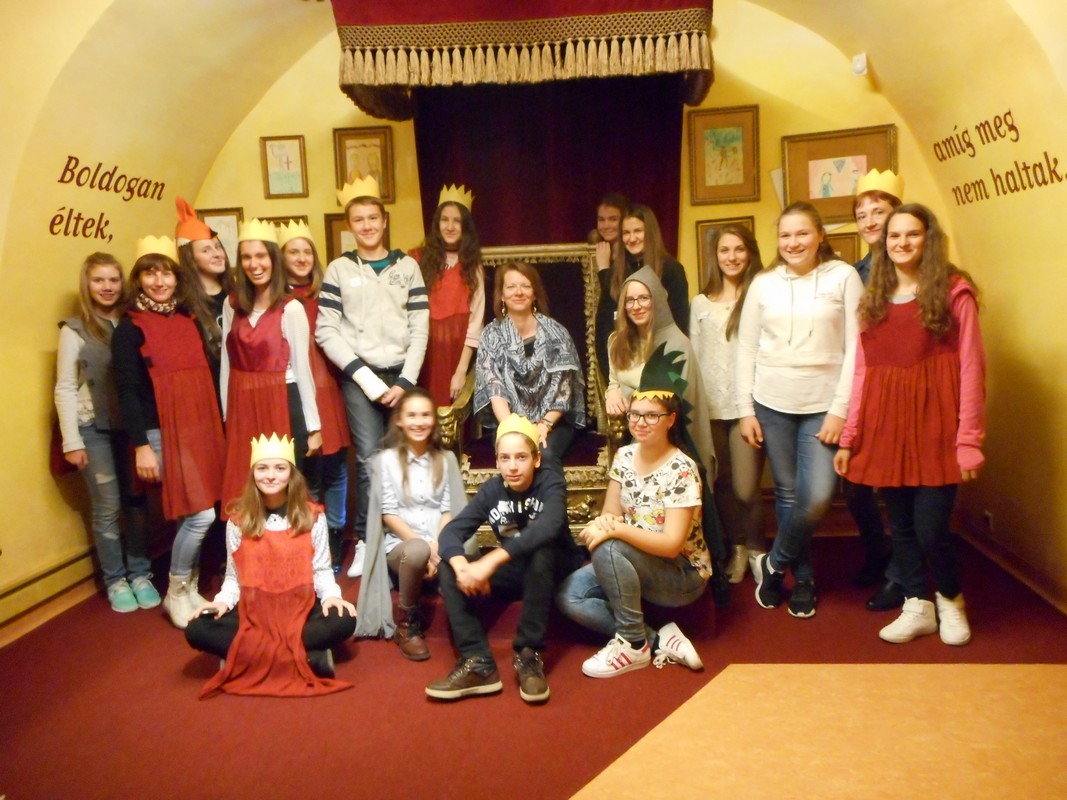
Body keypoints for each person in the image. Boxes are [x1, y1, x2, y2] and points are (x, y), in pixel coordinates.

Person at [835, 204, 985, 646]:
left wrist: (969, 440)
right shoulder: (873, 300)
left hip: (937, 427)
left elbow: (972, 370)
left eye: (912, 234)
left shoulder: (955, 293)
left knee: (932, 528)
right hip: (886, 426)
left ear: (928, 238)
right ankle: (917, 603)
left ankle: (950, 600)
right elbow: (862, 373)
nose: (902, 242)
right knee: (899, 524)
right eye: (894, 236)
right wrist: (850, 436)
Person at [737, 202, 863, 618]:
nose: (793, 242)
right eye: (785, 235)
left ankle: (774, 564)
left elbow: (857, 348)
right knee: (788, 495)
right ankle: (803, 578)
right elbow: (746, 348)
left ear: (820, 235)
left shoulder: (843, 277)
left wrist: (840, 409)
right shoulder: (763, 283)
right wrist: (745, 409)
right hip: (771, 403)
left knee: (819, 496)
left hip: (824, 407)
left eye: (802, 233)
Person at [316, 177, 429, 578]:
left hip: (401, 377)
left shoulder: (408, 267)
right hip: (360, 379)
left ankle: (401, 538)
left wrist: (404, 381)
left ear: (384, 221)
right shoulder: (339, 269)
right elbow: (326, 330)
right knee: (368, 462)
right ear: (350, 226)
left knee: (402, 458)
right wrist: (367, 380)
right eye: (358, 219)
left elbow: (420, 328)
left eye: (372, 218)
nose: (366, 225)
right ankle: (368, 540)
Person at [185, 433, 356, 697]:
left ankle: (246, 654)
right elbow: (233, 578)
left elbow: (321, 570)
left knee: (344, 620)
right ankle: (307, 655)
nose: (271, 476)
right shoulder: (238, 522)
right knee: (197, 629)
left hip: (300, 611)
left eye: (280, 468)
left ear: (291, 474)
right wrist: (220, 603)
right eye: (262, 468)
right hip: (255, 614)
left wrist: (332, 597)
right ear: (253, 474)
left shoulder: (312, 517)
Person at [111, 237, 225, 628]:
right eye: (150, 273)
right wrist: (142, 445)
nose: (159, 281)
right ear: (138, 279)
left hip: (199, 427)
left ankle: (189, 588)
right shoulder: (129, 329)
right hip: (160, 430)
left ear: (177, 278)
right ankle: (175, 590)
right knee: (200, 515)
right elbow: (127, 391)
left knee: (190, 513)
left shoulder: (189, 318)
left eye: (166, 273)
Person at [557, 388, 709, 678]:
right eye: (635, 414)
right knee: (569, 595)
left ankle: (631, 645)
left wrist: (616, 529)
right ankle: (653, 640)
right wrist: (603, 524)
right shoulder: (624, 455)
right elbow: (610, 513)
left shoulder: (682, 469)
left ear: (671, 420)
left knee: (608, 546)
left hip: (680, 573)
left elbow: (671, 545)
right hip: (633, 558)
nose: (640, 422)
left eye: (652, 416)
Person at [604, 267, 727, 604]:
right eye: (630, 300)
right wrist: (611, 391)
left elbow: (671, 400)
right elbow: (615, 379)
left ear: (657, 300)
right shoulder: (616, 342)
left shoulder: (676, 343)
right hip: (633, 432)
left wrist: (631, 403)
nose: (637, 305)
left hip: (670, 433)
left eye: (644, 298)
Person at [425, 415, 569, 704]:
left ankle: (528, 654)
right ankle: (478, 661)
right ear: (497, 462)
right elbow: (452, 532)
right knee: (448, 564)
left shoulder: (551, 482)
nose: (513, 466)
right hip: (515, 571)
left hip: (553, 569)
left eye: (521, 457)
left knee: (540, 550)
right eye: (505, 458)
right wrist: (462, 567)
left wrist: (489, 562)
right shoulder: (492, 490)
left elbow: (549, 526)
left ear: (536, 459)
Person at [55, 252, 158, 613]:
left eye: (113, 279)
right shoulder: (74, 330)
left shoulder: (134, 322)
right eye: (99, 280)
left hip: (131, 428)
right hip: (93, 429)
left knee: (137, 502)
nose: (107, 287)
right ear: (88, 284)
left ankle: (140, 573)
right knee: (108, 507)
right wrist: (71, 440)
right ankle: (116, 579)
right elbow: (65, 387)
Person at [220, 219, 322, 519]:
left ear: (273, 259)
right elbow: (227, 363)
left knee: (282, 486)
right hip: (242, 404)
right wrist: (227, 415)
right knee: (246, 485)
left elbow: (303, 370)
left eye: (261, 256)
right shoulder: (231, 304)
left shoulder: (291, 308)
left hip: (282, 401)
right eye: (247, 257)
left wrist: (314, 427)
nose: (254, 264)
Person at [355, 387, 466, 659]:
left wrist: (438, 547)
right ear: (400, 421)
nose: (419, 422)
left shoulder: (445, 459)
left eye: (425, 415)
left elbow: (447, 510)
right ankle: (406, 623)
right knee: (417, 550)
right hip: (402, 547)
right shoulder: (386, 461)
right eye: (412, 415)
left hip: (438, 541)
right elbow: (389, 514)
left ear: (434, 420)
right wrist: (425, 547)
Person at [691, 225, 767, 584]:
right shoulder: (700, 303)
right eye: (724, 250)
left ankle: (758, 551)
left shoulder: (760, 297)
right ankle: (737, 548)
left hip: (747, 406)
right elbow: (693, 355)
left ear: (749, 252)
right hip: (710, 407)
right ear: (715, 256)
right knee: (720, 482)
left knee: (746, 487)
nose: (732, 257)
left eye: (739, 249)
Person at [278, 219, 351, 573]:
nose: (301, 258)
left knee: (336, 465)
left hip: (329, 384)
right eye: (293, 251)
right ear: (281, 257)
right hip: (297, 387)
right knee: (308, 471)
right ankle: (312, 536)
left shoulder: (328, 292)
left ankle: (335, 533)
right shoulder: (276, 298)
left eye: (307, 251)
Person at [849, 169, 905, 610]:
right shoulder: (855, 273)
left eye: (878, 211)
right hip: (863, 389)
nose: (870, 221)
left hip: (901, 388)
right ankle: (877, 550)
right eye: (862, 214)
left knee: (899, 487)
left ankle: (901, 573)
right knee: (854, 483)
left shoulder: (910, 266)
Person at [474, 260, 585, 475]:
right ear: (502, 295)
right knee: (514, 453)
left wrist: (543, 425)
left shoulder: (556, 333)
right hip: (508, 420)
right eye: (511, 286)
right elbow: (494, 388)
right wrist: (514, 428)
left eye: (525, 286)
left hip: (554, 422)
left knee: (545, 454)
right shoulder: (490, 335)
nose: (518, 292)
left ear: (535, 293)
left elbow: (563, 391)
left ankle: (551, 498)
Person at [595, 203, 690, 382]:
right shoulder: (615, 273)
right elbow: (604, 328)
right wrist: (612, 381)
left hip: (663, 372)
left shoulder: (672, 270)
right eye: (626, 233)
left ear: (650, 232)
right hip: (623, 373)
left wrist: (669, 376)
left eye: (638, 231)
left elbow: (680, 325)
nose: (632, 238)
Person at [412, 184, 485, 405]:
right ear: (437, 223)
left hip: (455, 355)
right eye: (445, 219)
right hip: (423, 353)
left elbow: (475, 324)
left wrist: (461, 371)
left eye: (457, 221)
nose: (450, 226)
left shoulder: (473, 267)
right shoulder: (417, 260)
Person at [174, 196, 233, 394]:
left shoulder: (237, 294)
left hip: (240, 386)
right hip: (206, 391)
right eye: (206, 250)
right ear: (190, 259)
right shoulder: (182, 304)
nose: (217, 254)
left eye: (218, 247)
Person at [591, 191, 629, 377]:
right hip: (602, 331)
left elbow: (616, 297)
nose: (606, 225)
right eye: (601, 219)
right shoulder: (594, 248)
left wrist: (605, 269)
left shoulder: (629, 256)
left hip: (622, 333)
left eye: (613, 219)